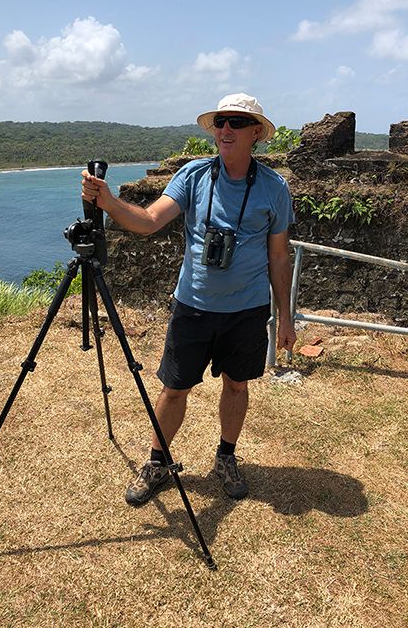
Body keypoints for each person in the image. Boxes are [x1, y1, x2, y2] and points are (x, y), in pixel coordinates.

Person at [81, 93, 296, 504]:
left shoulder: (273, 188)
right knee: (174, 388)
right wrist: (107, 201)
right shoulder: (195, 176)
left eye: (236, 122)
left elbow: (278, 254)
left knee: (237, 385)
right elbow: (148, 221)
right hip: (193, 306)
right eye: (220, 122)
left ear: (256, 133)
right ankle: (158, 461)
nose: (226, 130)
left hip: (247, 310)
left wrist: (285, 317)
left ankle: (226, 457)